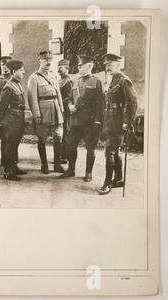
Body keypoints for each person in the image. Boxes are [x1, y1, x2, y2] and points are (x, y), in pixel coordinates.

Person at [60, 55, 105, 182]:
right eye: (78, 65)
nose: (79, 67)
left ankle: (88, 173)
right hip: (76, 121)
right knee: (70, 145)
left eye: (81, 65)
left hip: (90, 122)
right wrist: (69, 106)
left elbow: (101, 104)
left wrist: (98, 121)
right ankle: (71, 170)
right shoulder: (76, 81)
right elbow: (69, 99)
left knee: (90, 148)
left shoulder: (97, 82)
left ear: (89, 66)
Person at [99, 53, 138, 195]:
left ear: (118, 65)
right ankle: (119, 179)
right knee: (115, 151)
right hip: (109, 119)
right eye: (106, 65)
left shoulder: (123, 81)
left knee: (109, 151)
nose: (107, 68)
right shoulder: (113, 80)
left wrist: (127, 122)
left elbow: (133, 102)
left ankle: (107, 183)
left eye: (110, 65)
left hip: (118, 121)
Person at [27, 50, 65, 174]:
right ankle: (44, 165)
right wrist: (37, 115)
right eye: (45, 60)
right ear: (40, 61)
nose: (48, 62)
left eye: (50, 60)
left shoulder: (53, 75)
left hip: (56, 110)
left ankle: (57, 164)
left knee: (58, 136)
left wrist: (61, 109)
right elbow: (32, 99)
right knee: (42, 138)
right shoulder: (34, 78)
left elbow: (58, 93)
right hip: (43, 111)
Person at [0, 60, 27, 180]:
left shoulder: (18, 83)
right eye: (21, 70)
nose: (23, 72)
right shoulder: (8, 87)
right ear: (14, 72)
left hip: (18, 119)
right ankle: (8, 171)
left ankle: (14, 167)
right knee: (10, 145)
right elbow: (1, 107)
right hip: (11, 121)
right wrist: (1, 122)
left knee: (15, 145)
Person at [57, 59, 73, 164]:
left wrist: (59, 102)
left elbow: (69, 97)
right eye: (58, 68)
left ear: (67, 68)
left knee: (66, 133)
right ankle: (60, 155)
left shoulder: (69, 81)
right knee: (60, 133)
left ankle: (65, 156)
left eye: (61, 68)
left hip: (66, 111)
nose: (59, 70)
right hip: (60, 109)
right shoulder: (60, 80)